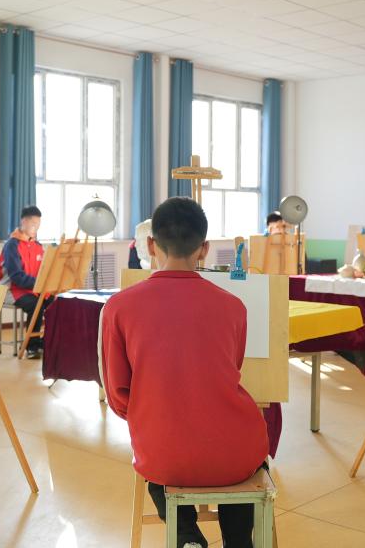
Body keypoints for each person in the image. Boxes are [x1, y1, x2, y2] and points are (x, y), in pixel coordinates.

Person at [100, 197, 269, 548]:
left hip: (162, 450)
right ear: (204, 249)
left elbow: (117, 395)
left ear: (151, 245)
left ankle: (187, 536)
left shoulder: (118, 307)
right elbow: (232, 368)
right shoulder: (234, 307)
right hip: (234, 451)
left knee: (159, 467)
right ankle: (239, 540)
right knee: (246, 457)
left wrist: (154, 414)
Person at [0, 205, 51, 358]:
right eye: (33, 223)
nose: (36, 227)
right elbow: (16, 276)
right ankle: (31, 346)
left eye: (38, 224)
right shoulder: (12, 245)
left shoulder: (37, 246)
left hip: (31, 288)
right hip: (10, 289)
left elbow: (42, 271)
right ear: (23, 222)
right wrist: (39, 285)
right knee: (36, 305)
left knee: (53, 302)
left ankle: (45, 341)